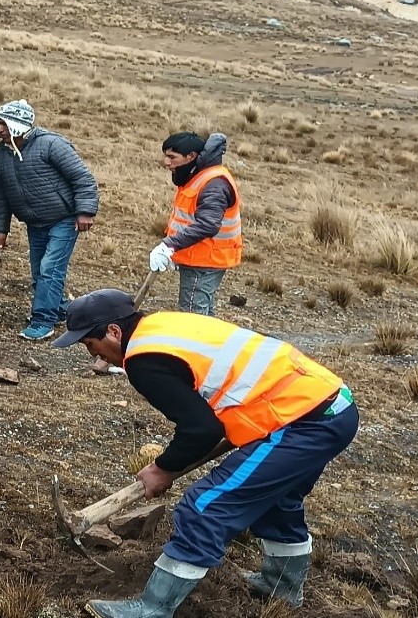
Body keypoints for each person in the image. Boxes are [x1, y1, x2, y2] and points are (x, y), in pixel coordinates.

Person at [53, 290, 358, 618]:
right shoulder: (160, 325)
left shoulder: (142, 360)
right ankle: (280, 587)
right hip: (332, 404)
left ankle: (152, 609)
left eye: (89, 344)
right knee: (275, 501)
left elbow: (202, 430)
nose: (92, 354)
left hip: (302, 421)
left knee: (204, 507)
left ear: (113, 332)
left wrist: (162, 467)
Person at [0, 100, 99, 340]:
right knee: (40, 270)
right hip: (34, 222)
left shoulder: (51, 145)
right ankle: (59, 308)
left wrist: (85, 212)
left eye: (3, 125)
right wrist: (0, 228)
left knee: (50, 269)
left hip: (64, 219)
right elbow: (0, 195)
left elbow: (82, 178)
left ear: (17, 125)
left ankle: (43, 320)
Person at [148, 132, 242, 316]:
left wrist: (169, 245)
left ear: (191, 156)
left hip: (204, 260)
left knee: (192, 318)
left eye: (172, 157)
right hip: (201, 257)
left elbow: (207, 225)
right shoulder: (198, 175)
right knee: (203, 316)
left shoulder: (213, 183)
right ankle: (210, 345)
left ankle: (195, 346)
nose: (166, 162)